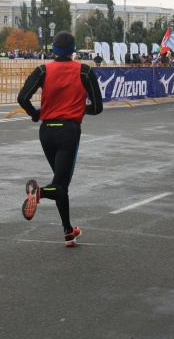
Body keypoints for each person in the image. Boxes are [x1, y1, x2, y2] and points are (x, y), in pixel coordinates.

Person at [17, 31, 104, 247]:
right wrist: (81, 109)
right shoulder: (84, 71)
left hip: (47, 131)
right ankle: (38, 193)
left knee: (61, 184)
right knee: (60, 184)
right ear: (73, 49)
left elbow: (22, 97)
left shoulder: (43, 70)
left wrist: (35, 114)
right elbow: (98, 107)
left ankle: (68, 231)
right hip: (68, 131)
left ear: (54, 50)